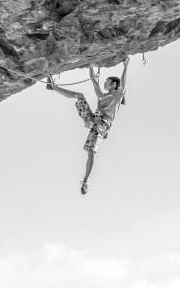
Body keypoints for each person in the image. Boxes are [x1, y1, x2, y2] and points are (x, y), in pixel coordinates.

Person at [47, 58, 130, 194]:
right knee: (79, 96)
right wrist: (91, 65)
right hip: (93, 119)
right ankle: (53, 87)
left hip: (101, 126)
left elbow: (123, 82)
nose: (104, 83)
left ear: (114, 85)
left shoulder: (117, 95)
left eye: (107, 82)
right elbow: (93, 80)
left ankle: (85, 180)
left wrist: (126, 66)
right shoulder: (102, 96)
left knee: (91, 152)